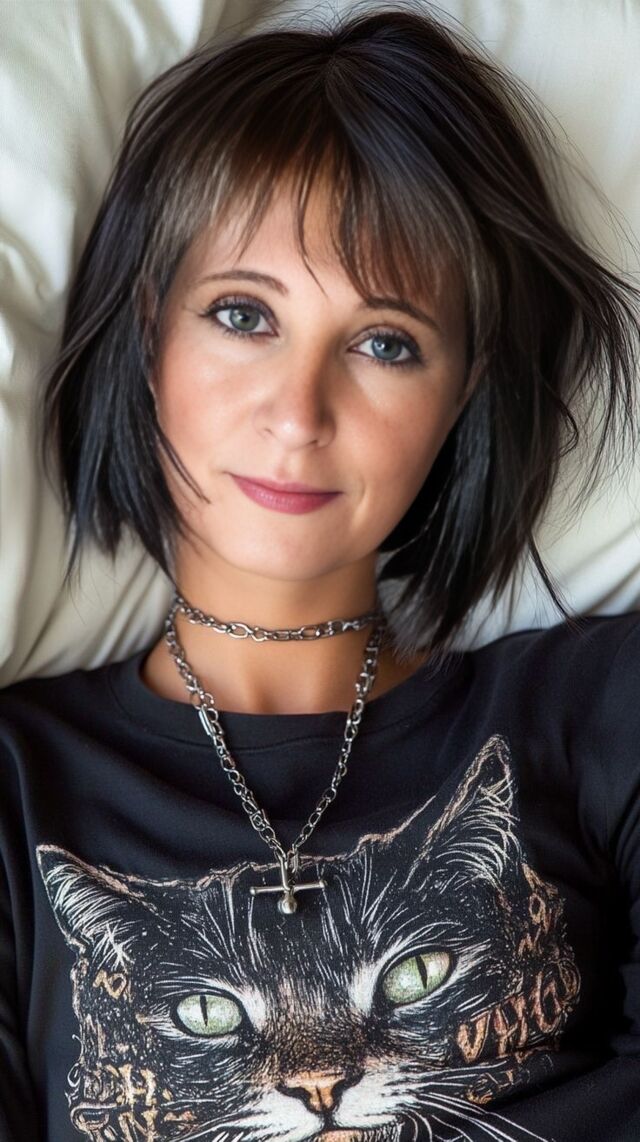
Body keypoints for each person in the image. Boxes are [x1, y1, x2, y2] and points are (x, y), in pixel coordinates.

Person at [1, 5, 639, 1140]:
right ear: (149, 332)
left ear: (461, 389)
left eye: (385, 342)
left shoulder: (605, 710)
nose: (299, 414)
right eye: (243, 315)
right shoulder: (16, 786)